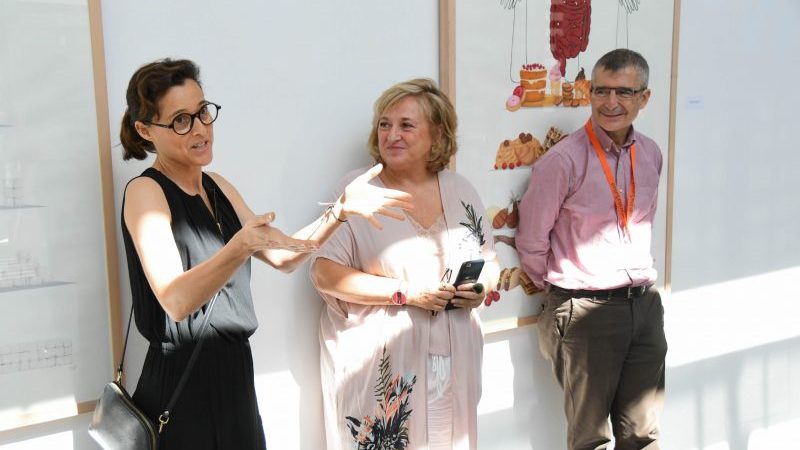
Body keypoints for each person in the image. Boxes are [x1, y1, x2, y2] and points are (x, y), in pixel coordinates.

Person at [119, 58, 412, 449]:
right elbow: (175, 301)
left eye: (203, 112)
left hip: (234, 375)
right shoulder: (146, 192)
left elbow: (284, 257)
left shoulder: (217, 185)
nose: (201, 129)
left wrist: (339, 212)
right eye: (180, 121)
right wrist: (239, 247)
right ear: (145, 130)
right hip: (181, 383)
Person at [310, 78, 499, 450]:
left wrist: (480, 289)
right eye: (385, 124)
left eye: (406, 125)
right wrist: (406, 293)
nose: (391, 134)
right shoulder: (358, 191)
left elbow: (489, 260)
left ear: (437, 134)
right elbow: (324, 272)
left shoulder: (460, 189)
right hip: (383, 372)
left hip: (452, 363)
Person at [517, 48, 668, 450]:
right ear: (590, 93)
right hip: (585, 311)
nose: (610, 102)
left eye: (624, 92)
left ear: (644, 98)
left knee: (643, 434)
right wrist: (566, 293)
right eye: (601, 91)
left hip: (644, 306)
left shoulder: (650, 153)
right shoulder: (563, 160)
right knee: (590, 440)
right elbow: (531, 241)